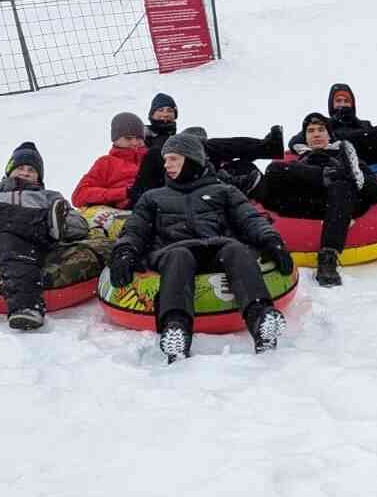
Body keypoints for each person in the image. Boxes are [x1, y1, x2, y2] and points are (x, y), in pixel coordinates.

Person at [107, 130, 294, 363]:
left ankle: (261, 319)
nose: (166, 165)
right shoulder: (153, 197)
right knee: (180, 257)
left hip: (218, 246)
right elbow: (135, 229)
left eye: (173, 159)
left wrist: (271, 240)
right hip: (172, 249)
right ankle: (176, 329)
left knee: (236, 250)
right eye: (165, 160)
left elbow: (250, 219)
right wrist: (124, 252)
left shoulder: (224, 190)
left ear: (191, 159)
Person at [0, 142, 90, 330]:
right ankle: (41, 222)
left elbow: (79, 225)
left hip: (24, 242)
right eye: (20, 168)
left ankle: (27, 307)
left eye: (32, 170)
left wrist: (62, 226)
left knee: (9, 236)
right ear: (9, 171)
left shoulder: (49, 196)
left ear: (39, 176)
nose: (25, 172)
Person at [241, 112, 377, 288]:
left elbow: (376, 191)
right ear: (305, 137)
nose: (316, 134)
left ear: (329, 135)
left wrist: (346, 174)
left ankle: (328, 258)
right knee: (274, 169)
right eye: (311, 131)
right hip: (305, 202)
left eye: (321, 130)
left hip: (339, 203)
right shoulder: (299, 159)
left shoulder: (347, 157)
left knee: (342, 185)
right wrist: (316, 173)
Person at [127, 93, 284, 204]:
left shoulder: (170, 136)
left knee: (243, 166)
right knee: (207, 145)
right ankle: (266, 148)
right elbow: (142, 162)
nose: (165, 114)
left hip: (186, 173)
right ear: (151, 114)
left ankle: (271, 197)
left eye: (170, 110)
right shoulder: (142, 136)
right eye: (160, 110)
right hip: (164, 181)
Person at [288, 83, 377, 164]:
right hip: (336, 154)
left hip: (362, 155)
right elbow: (294, 143)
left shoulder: (364, 124)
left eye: (346, 101)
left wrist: (355, 122)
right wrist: (334, 120)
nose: (342, 104)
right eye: (338, 101)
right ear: (332, 104)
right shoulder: (322, 124)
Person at [73, 112, 147, 209]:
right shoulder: (106, 163)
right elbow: (79, 196)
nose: (134, 142)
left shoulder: (151, 159)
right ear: (115, 140)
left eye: (138, 138)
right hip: (124, 207)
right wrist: (125, 192)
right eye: (128, 138)